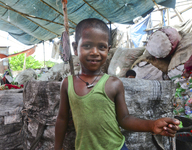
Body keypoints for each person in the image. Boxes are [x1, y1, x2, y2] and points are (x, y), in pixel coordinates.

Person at [54, 18, 180, 150]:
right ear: (75, 48)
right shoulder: (68, 84)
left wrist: (152, 125)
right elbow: (62, 119)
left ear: (108, 50)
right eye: (87, 45)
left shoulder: (113, 83)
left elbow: (124, 119)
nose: (95, 52)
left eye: (101, 47)